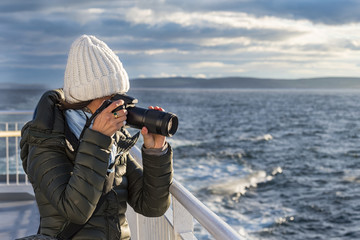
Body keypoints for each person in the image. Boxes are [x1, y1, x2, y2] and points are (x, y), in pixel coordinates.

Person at [20, 35, 173, 239]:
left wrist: (155, 153)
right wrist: (98, 138)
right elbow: (76, 210)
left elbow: (152, 207)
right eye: (112, 98)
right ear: (87, 97)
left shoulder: (115, 139)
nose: (120, 106)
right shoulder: (46, 140)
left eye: (121, 96)